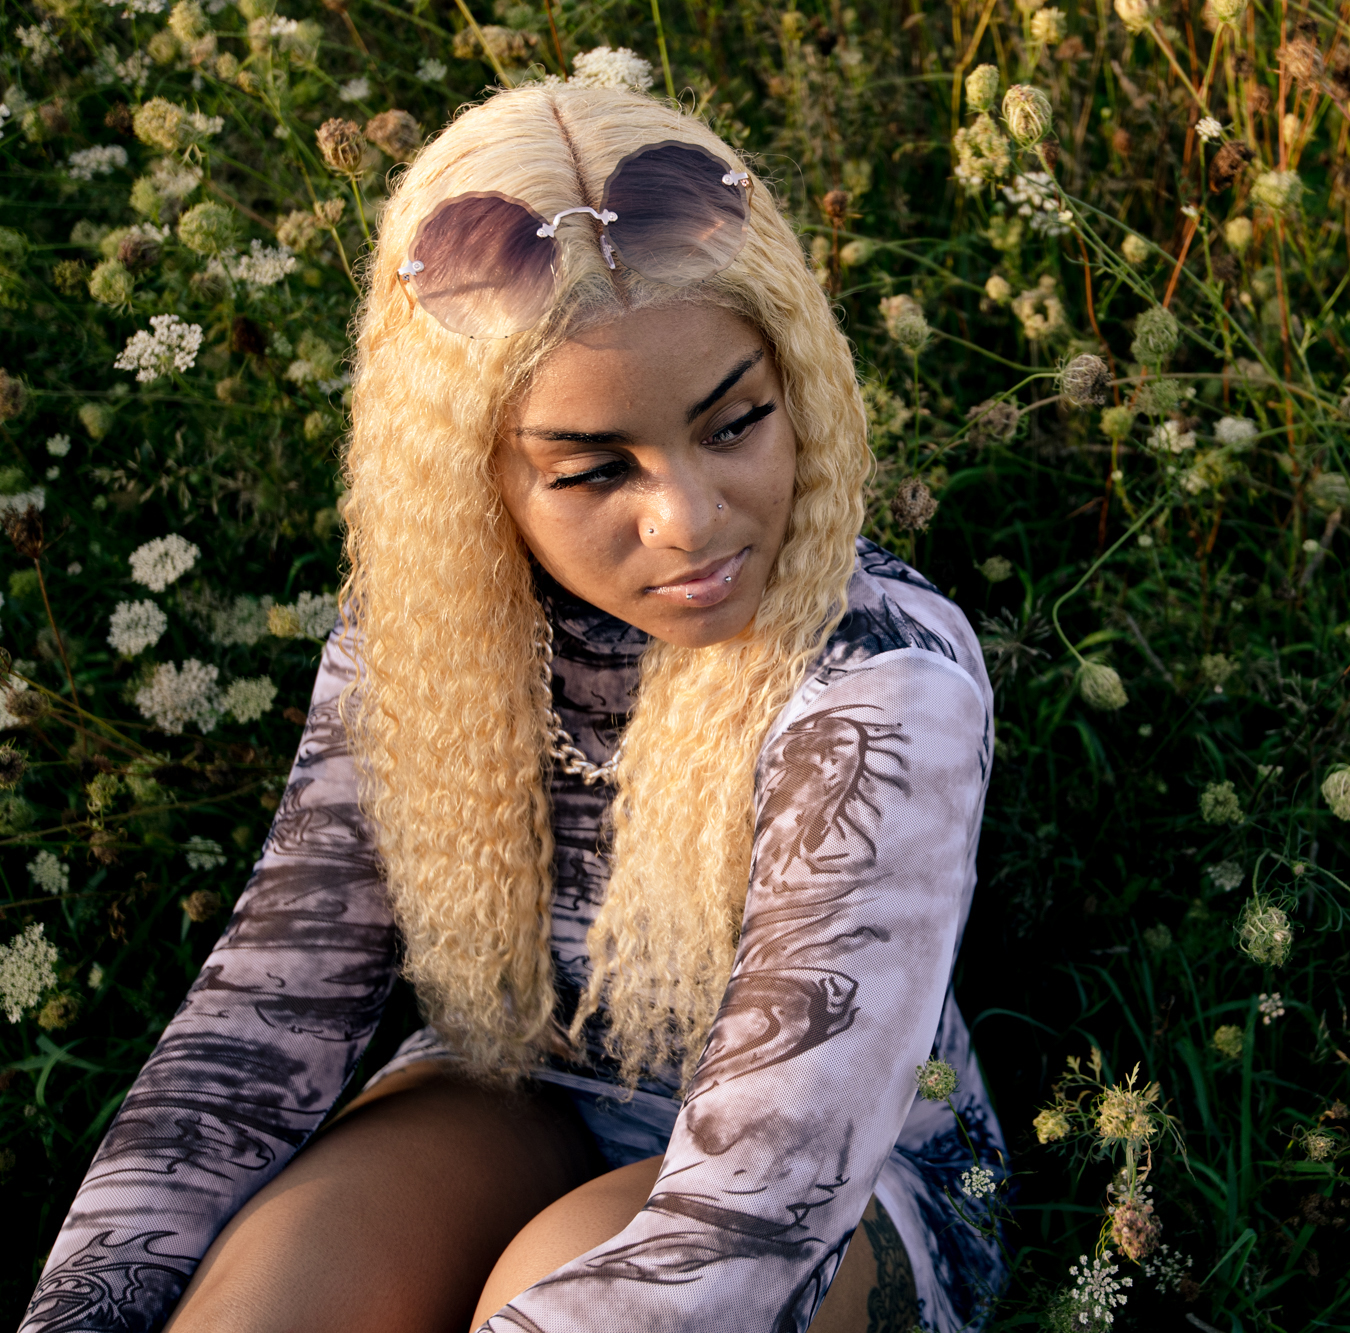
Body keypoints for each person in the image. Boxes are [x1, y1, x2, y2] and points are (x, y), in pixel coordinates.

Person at [21, 84, 1007, 1333]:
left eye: (736, 422)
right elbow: (263, 1019)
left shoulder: (883, 674)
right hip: (508, 1089)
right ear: (468, 469)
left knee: (544, 1297)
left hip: (845, 1188)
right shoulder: (421, 642)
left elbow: (768, 1195)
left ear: (798, 379)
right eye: (593, 467)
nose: (689, 522)